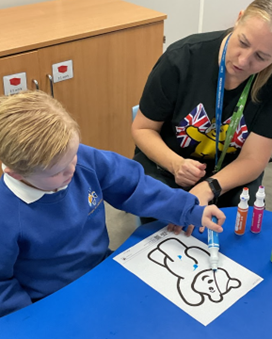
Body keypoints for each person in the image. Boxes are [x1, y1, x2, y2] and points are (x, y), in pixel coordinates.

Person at [0, 91, 225, 317]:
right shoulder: (6, 214)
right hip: (51, 299)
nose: (72, 171)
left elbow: (135, 186)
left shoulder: (81, 159)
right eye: (57, 172)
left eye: (73, 157)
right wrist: (28, 320)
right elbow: (2, 286)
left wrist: (188, 209)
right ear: (17, 174)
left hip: (102, 268)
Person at [131, 0, 272, 228]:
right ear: (238, 19)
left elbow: (254, 159)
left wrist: (209, 187)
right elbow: (142, 128)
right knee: (166, 225)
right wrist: (176, 165)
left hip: (229, 175)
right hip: (168, 165)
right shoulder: (181, 59)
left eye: (262, 57)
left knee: (245, 224)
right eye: (243, 42)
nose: (243, 60)